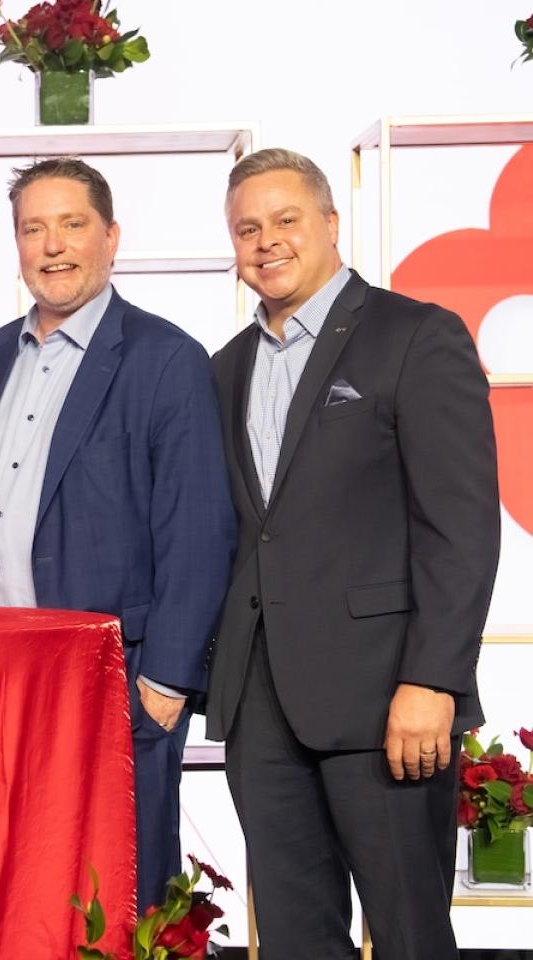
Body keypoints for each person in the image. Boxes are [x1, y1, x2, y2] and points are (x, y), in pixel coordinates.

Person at [207, 148, 501, 959]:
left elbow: (461, 527)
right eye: (247, 229)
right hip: (262, 707)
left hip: (386, 700)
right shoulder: (225, 368)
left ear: (332, 224)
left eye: (287, 219)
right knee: (294, 940)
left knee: (409, 936)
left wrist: (434, 681)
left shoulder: (415, 337)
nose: (267, 241)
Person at [0, 157, 236, 911]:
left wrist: (165, 683)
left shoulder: (166, 359)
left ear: (111, 237)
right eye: (33, 228)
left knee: (115, 891)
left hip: (112, 679)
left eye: (72, 224)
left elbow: (198, 531)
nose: (53, 245)